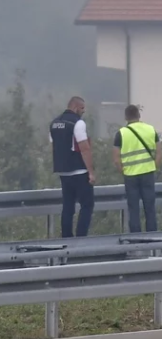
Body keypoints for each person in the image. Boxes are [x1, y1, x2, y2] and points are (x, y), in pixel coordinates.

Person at [49, 96, 95, 238]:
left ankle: (67, 238)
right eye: (82, 109)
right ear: (76, 107)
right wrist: (91, 172)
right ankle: (81, 237)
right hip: (79, 171)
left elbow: (53, 145)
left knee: (68, 207)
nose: (83, 112)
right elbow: (84, 148)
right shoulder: (78, 123)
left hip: (63, 172)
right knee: (87, 205)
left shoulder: (54, 123)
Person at [112, 105, 162, 233]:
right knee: (149, 206)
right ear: (139, 115)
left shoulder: (121, 133)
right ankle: (152, 234)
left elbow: (116, 159)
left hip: (131, 176)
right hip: (148, 173)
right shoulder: (151, 130)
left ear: (126, 117)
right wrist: (153, 167)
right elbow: (159, 153)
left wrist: (123, 170)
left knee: (133, 207)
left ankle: (136, 236)